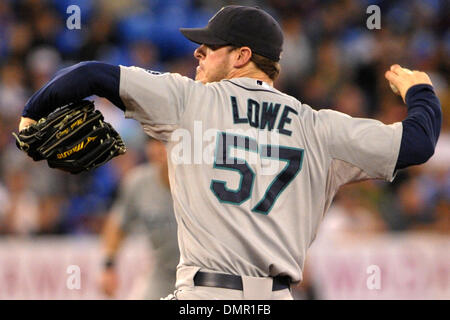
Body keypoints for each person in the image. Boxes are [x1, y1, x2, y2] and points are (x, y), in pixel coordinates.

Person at [18, 6, 442, 300]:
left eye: (210, 46)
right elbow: (419, 143)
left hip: (203, 296)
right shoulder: (320, 127)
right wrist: (420, 90)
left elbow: (90, 73)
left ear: (241, 56)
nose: (197, 52)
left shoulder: (187, 101)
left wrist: (31, 116)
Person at [99, 137, 178, 299]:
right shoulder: (138, 183)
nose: (158, 149)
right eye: (152, 142)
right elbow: (116, 226)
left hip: (202, 275)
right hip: (163, 273)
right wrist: (109, 266)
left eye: (164, 142)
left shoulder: (198, 182)